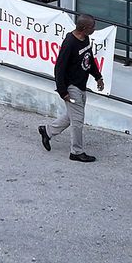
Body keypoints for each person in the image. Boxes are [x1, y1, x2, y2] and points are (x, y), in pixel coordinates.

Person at [39, 14, 106, 162]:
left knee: (72, 116)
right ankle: (76, 152)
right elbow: (59, 68)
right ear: (84, 28)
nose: (94, 29)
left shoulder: (85, 39)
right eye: (92, 27)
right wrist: (63, 91)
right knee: (78, 121)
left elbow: (89, 59)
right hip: (71, 87)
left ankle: (47, 131)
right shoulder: (69, 43)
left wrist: (98, 76)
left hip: (81, 85)